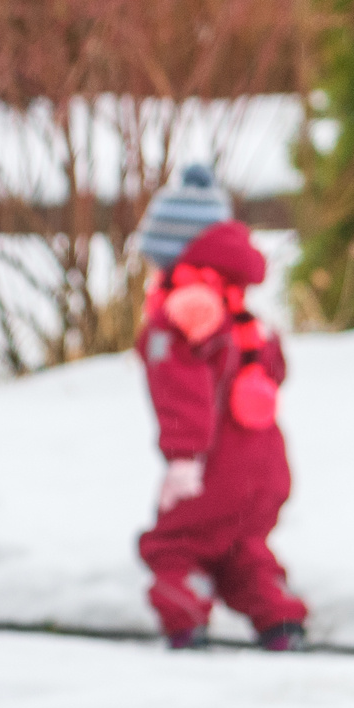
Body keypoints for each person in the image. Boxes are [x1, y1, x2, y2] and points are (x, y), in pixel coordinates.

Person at [130, 166, 307, 650]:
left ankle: (185, 612)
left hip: (214, 464)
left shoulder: (180, 313)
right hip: (266, 463)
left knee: (174, 544)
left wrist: (184, 460)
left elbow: (181, 394)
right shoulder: (239, 308)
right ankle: (279, 617)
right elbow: (272, 368)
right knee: (240, 547)